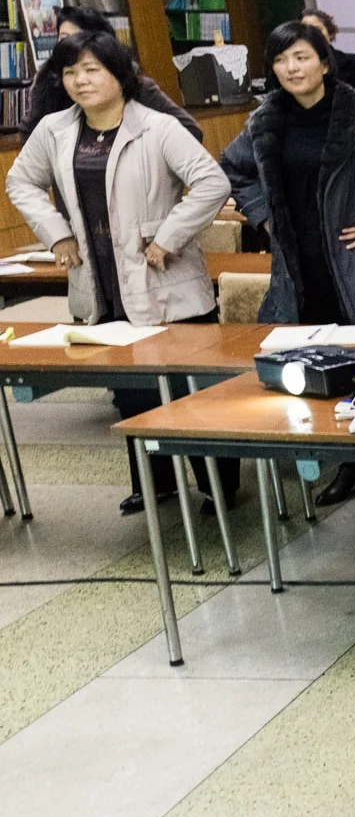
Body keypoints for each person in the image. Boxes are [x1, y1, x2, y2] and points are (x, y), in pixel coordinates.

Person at [6, 30, 232, 516]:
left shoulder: (157, 126)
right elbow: (20, 181)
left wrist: (169, 236)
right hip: (101, 280)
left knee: (191, 390)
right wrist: (56, 234)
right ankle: (154, 482)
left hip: (162, 279)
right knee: (132, 392)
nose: (80, 81)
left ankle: (218, 486)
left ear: (119, 73)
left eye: (91, 70)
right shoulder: (54, 130)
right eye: (70, 72)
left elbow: (212, 183)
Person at [222, 21, 355, 509]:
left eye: (301, 57)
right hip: (300, 270)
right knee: (324, 373)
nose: (291, 68)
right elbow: (233, 167)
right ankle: (351, 465)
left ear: (324, 63)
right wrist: (263, 216)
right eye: (281, 60)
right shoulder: (265, 121)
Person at [23, 6, 198, 140]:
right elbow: (31, 132)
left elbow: (189, 130)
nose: (70, 45)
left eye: (91, 70)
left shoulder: (132, 82)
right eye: (64, 38)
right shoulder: (49, 78)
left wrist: (143, 157)